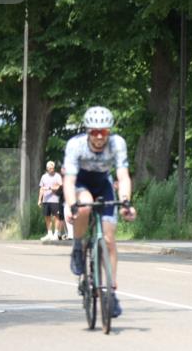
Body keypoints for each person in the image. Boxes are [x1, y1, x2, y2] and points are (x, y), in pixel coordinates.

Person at [63, 106, 137, 317]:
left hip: (103, 183)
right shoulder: (75, 145)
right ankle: (78, 247)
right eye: (94, 132)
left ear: (109, 132)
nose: (98, 137)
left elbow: (122, 176)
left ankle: (111, 292)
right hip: (81, 183)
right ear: (87, 131)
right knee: (85, 205)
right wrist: (70, 205)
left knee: (109, 239)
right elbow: (68, 180)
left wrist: (126, 203)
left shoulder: (117, 144)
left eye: (103, 132)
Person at [37, 161, 64, 241]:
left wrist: (49, 188)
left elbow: (59, 186)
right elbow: (41, 188)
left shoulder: (57, 176)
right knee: (47, 216)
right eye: (50, 168)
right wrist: (39, 199)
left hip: (55, 200)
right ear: (47, 168)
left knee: (57, 217)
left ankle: (56, 233)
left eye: (52, 168)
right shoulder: (44, 177)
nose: (51, 169)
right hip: (46, 200)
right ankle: (49, 233)